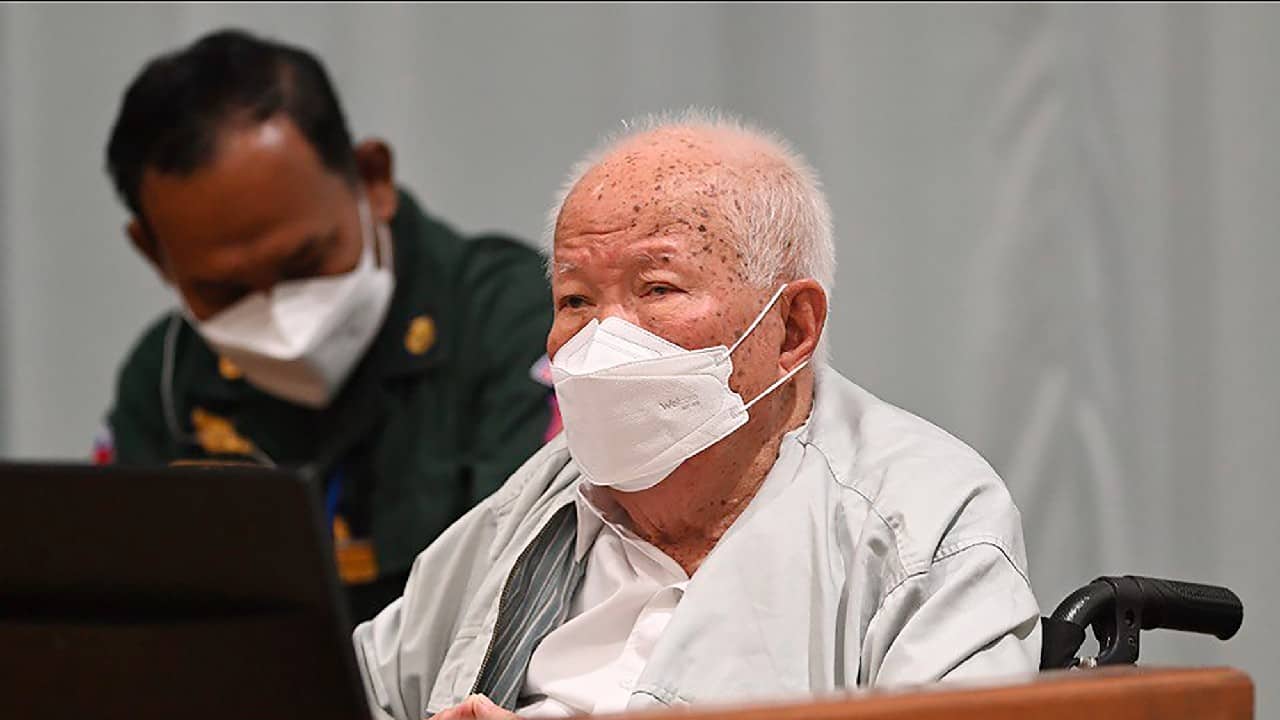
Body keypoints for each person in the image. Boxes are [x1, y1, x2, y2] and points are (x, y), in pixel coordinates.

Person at [353, 111, 1042, 720]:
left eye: (657, 288)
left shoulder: (922, 523)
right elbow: (362, 688)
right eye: (575, 301)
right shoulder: (538, 499)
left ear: (791, 330)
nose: (603, 338)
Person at [98, 29, 558, 625]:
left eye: (304, 265)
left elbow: (529, 606)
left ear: (373, 180)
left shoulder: (518, 322)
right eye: (226, 291)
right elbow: (125, 618)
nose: (280, 321)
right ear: (154, 254)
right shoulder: (163, 381)